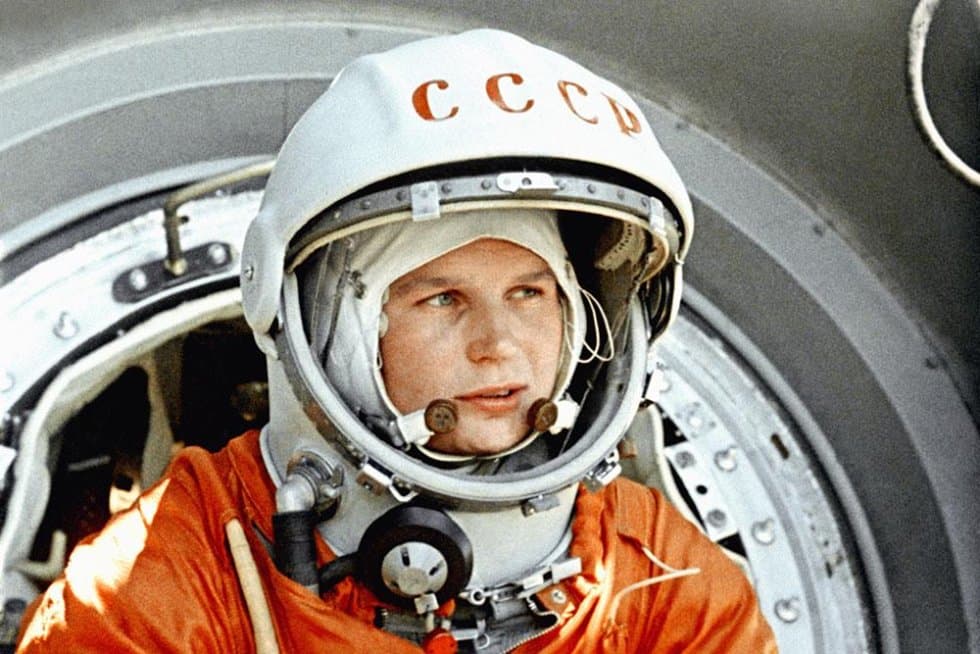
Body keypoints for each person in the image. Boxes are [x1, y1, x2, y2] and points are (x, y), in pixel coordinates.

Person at [17, 29, 778, 653]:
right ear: (337, 331)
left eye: (529, 293)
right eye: (442, 299)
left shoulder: (660, 583)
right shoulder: (160, 590)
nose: (498, 345)